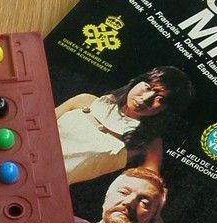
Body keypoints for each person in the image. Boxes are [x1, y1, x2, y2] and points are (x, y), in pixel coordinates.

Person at [56, 66, 194, 184]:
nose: (146, 99)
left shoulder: (149, 143)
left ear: (166, 110)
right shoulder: (85, 101)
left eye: (160, 99)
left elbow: (150, 188)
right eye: (148, 87)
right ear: (138, 81)